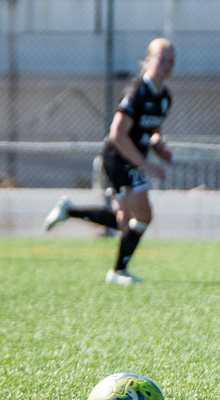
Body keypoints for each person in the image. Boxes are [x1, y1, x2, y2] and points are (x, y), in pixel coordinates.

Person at [42, 37, 175, 285]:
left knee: (125, 221)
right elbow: (117, 133)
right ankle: (118, 272)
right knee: (144, 215)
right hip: (118, 158)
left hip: (131, 160)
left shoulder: (164, 97)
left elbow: (152, 130)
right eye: (162, 59)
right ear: (148, 61)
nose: (167, 65)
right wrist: (146, 164)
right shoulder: (137, 91)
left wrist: (159, 146)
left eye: (171, 61)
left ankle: (69, 211)